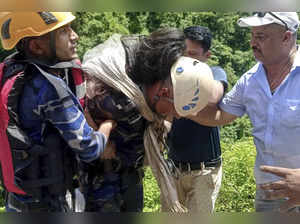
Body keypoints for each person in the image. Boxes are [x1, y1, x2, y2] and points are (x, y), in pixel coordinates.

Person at [81, 28, 222, 212]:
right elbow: (77, 110)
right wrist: (96, 133)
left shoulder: (152, 87)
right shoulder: (121, 103)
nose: (176, 117)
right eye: (176, 110)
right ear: (164, 93)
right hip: (99, 181)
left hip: (129, 175)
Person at [0, 12, 115, 212]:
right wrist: (107, 127)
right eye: (64, 31)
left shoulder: (10, 71)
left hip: (16, 200)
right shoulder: (48, 88)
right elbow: (89, 148)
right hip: (49, 204)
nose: (74, 36)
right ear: (37, 46)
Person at [190, 12, 300, 212]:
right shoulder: (250, 80)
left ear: (286, 37)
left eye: (261, 36)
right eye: (252, 35)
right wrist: (182, 108)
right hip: (269, 194)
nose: (252, 43)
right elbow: (221, 116)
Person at [162, 26, 227, 213]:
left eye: (192, 54)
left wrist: (179, 103)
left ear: (207, 55)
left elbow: (214, 96)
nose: (185, 59)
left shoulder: (215, 72)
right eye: (182, 53)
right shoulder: (173, 75)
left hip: (204, 172)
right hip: (174, 169)